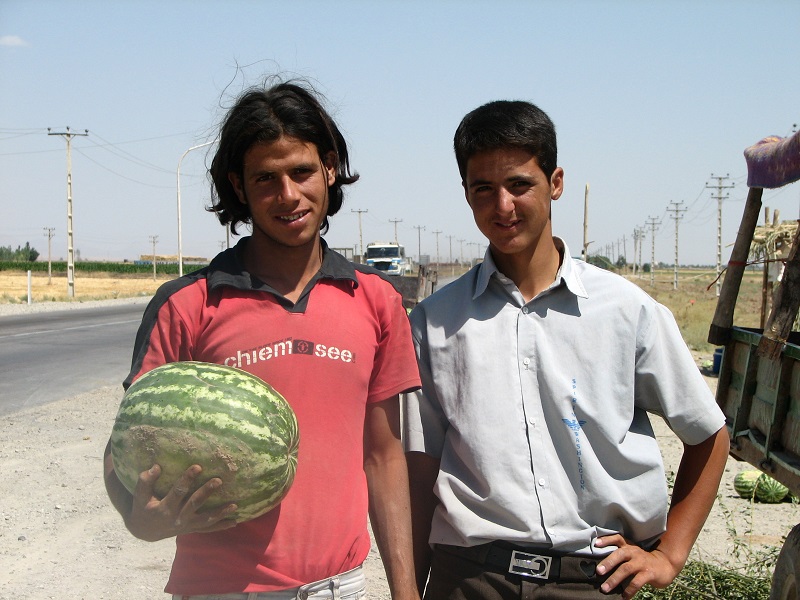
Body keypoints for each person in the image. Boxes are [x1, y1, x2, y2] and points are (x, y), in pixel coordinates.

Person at [103, 80, 422, 600]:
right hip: (223, 590)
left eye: (301, 172)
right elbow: (127, 442)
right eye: (266, 179)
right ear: (239, 185)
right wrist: (139, 519)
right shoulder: (189, 305)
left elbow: (384, 457)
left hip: (342, 588)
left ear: (329, 168)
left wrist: (406, 591)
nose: (288, 195)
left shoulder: (375, 299)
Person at [402, 99, 730, 600]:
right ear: (465, 194)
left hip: (592, 581)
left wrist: (669, 554)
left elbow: (708, 435)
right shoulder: (435, 321)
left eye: (519, 185)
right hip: (469, 578)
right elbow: (421, 467)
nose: (502, 206)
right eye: (483, 189)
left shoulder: (626, 312)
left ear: (555, 183)